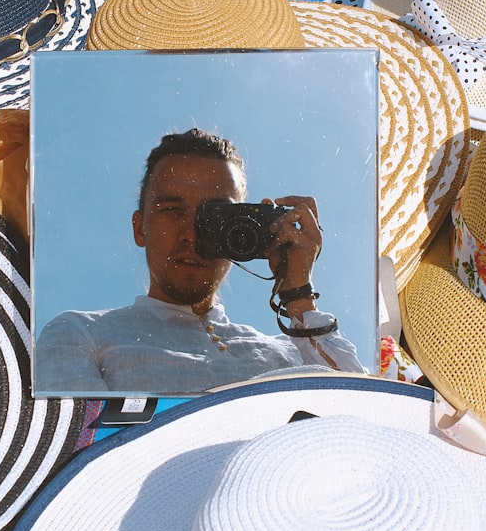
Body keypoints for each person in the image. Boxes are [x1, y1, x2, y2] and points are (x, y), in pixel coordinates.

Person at [34, 128, 364, 393]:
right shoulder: (82, 332)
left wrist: (298, 297)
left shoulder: (293, 351)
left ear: (245, 229)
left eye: (215, 214)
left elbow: (358, 418)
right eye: (172, 211)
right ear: (140, 228)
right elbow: (77, 443)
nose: (191, 233)